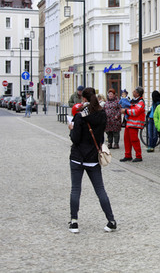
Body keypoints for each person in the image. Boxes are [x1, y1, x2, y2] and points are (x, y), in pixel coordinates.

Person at [68, 87, 116, 233]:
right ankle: (111, 220)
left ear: (83, 99)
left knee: (76, 189)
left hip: (77, 157)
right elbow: (101, 136)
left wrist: (71, 129)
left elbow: (75, 138)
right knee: (100, 190)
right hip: (93, 157)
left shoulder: (80, 115)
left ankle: (74, 222)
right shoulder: (102, 114)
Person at [120, 87, 145, 162]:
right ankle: (128, 155)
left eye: (134, 91)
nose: (132, 92)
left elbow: (136, 111)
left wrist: (126, 111)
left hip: (135, 124)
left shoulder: (141, 102)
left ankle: (138, 156)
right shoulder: (133, 101)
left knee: (134, 140)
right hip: (129, 123)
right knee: (126, 139)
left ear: (137, 93)